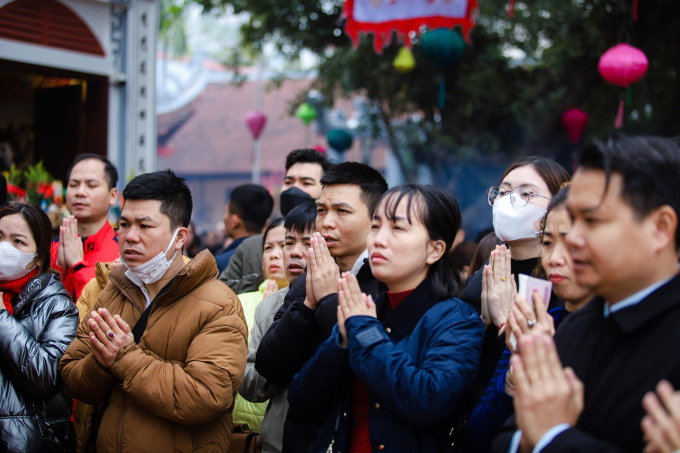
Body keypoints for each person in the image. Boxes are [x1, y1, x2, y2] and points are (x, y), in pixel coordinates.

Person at [490, 135, 680, 453]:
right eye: (571, 221)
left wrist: (553, 437)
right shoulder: (575, 327)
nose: (574, 238)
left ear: (660, 228)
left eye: (592, 220)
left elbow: (546, 432)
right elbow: (505, 439)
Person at [59, 169, 248, 453]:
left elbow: (207, 396)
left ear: (180, 236)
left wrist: (123, 357)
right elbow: (73, 376)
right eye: (123, 224)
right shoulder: (113, 289)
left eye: (145, 226)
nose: (129, 237)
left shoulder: (219, 303)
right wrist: (101, 361)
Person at [287, 184, 485, 453]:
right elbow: (302, 401)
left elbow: (427, 401)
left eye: (398, 228)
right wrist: (343, 340)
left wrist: (366, 332)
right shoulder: (368, 308)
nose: (378, 240)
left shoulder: (457, 320)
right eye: (376, 227)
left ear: (435, 250)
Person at [256, 162, 388, 452]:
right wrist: (307, 304)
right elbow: (270, 367)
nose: (326, 222)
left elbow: (365, 366)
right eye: (321, 210)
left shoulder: (387, 278)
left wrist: (329, 300)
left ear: (375, 219)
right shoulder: (310, 276)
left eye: (342, 211)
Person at [466, 186, 594, 453]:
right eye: (547, 243)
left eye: (572, 244)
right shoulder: (540, 323)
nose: (554, 259)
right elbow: (477, 435)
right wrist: (514, 378)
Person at [461, 157, 570, 419]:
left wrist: (503, 326)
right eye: (504, 191)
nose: (509, 199)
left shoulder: (563, 280)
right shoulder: (486, 272)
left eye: (525, 193)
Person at [0, 202, 79, 453]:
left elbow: (46, 376)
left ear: (39, 257)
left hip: (26, 442)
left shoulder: (57, 305)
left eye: (18, 242)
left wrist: (1, 317)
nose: (4, 247)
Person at [239, 202, 317, 453]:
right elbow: (250, 387)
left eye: (307, 243)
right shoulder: (269, 307)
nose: (294, 252)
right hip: (277, 444)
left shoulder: (342, 299)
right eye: (288, 243)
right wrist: (277, 353)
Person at [219, 149, 332, 294]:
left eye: (306, 183)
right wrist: (266, 280)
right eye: (289, 181)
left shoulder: (331, 240)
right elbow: (220, 291)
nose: (294, 189)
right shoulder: (251, 247)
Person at [233, 217, 289, 432]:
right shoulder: (237, 301)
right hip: (239, 430)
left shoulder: (311, 304)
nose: (274, 254)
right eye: (268, 247)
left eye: (285, 245)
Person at [51, 154, 120, 301]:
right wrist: (58, 271)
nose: (80, 192)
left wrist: (78, 268)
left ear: (113, 195)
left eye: (91, 185)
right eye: (74, 185)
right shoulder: (49, 250)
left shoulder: (122, 254)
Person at [215, 184, 274, 273]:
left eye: (226, 212)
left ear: (235, 221)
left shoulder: (220, 264)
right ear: (266, 222)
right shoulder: (276, 258)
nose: (224, 218)